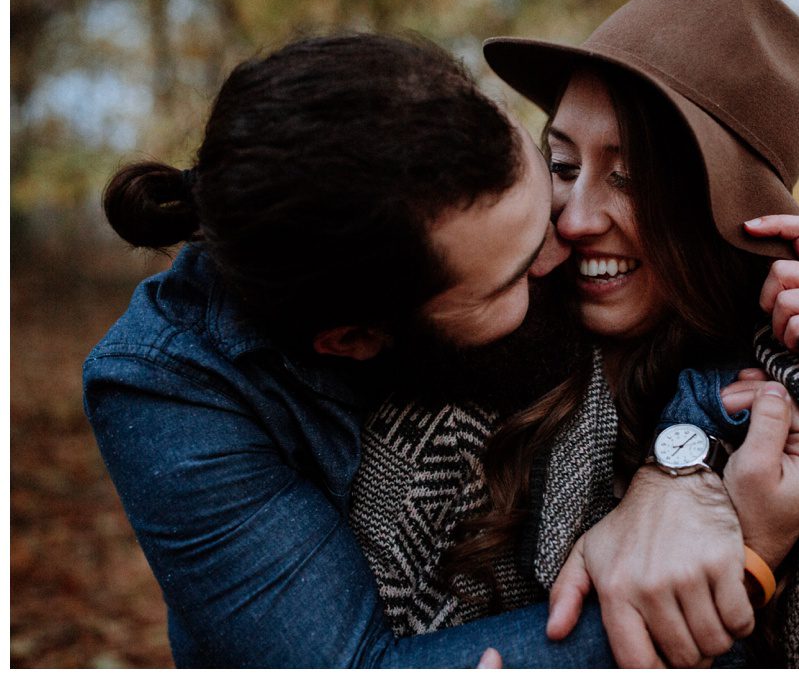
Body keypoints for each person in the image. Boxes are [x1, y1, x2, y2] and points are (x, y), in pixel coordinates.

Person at [351, 0, 799, 668]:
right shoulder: (460, 372)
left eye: (629, 176)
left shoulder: (793, 429)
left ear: (726, 216)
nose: (574, 219)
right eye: (563, 164)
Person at [82, 33, 613, 668]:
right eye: (516, 271)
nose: (565, 246)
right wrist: (723, 581)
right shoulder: (168, 386)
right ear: (355, 339)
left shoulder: (470, 199)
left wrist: (679, 474)